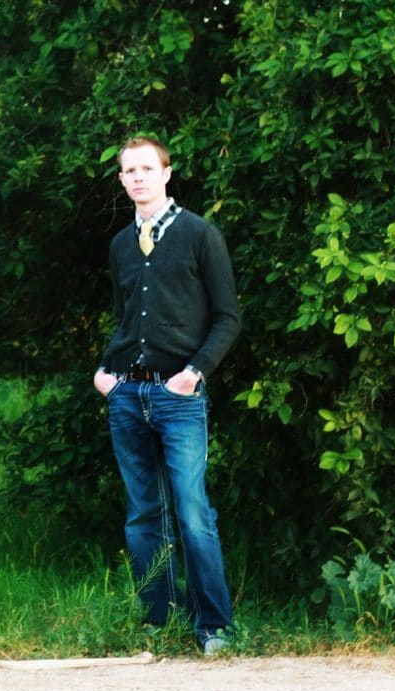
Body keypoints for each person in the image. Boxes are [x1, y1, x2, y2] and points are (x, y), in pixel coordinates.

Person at [93, 136, 241, 655]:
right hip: (128, 395)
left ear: (166, 173)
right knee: (142, 514)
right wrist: (105, 374)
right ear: (122, 180)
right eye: (128, 171)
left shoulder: (199, 234)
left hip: (180, 396)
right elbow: (125, 319)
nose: (137, 177)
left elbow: (227, 319)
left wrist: (193, 373)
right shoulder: (120, 245)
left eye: (146, 168)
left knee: (193, 511)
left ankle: (214, 628)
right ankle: (160, 620)